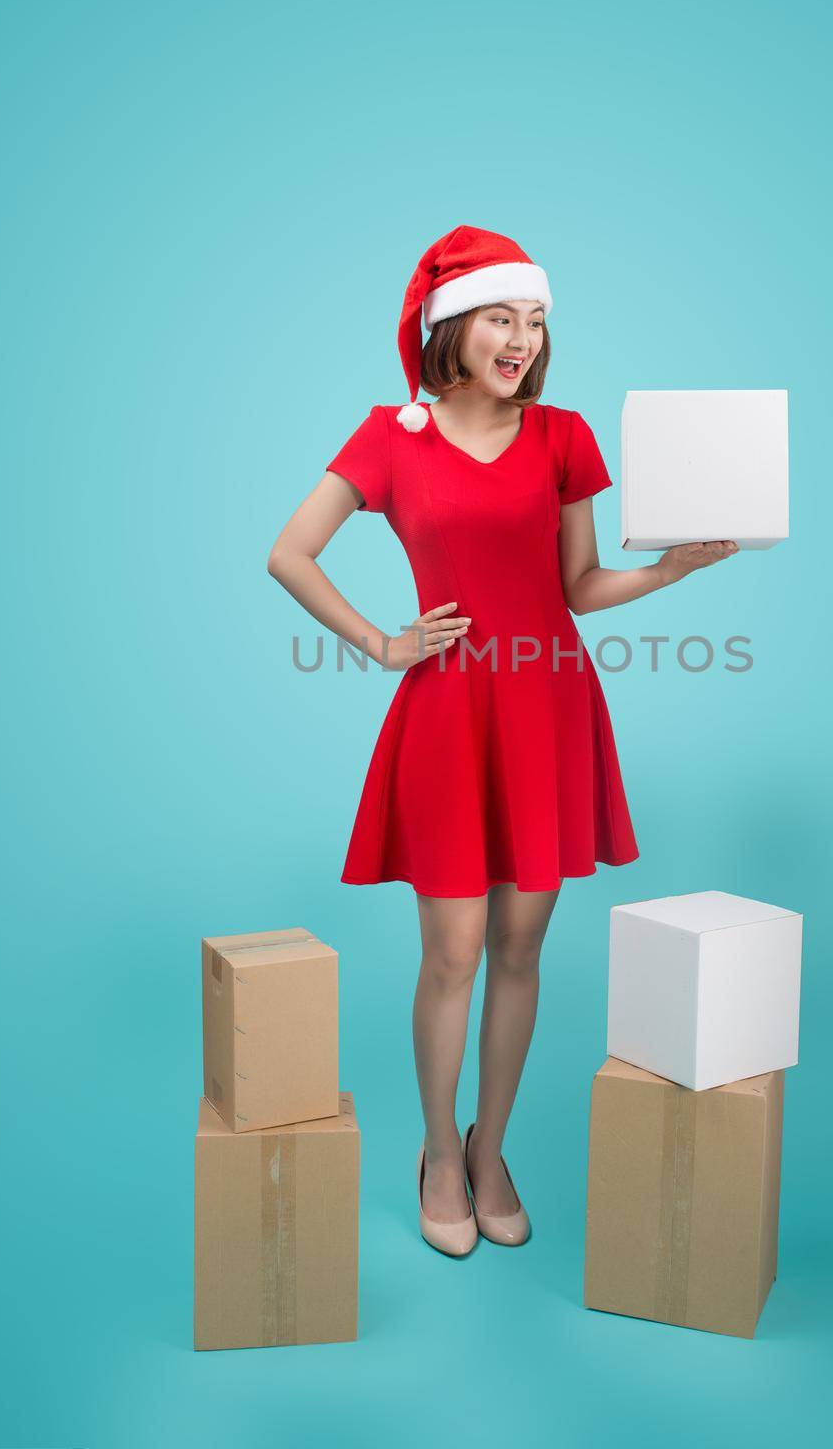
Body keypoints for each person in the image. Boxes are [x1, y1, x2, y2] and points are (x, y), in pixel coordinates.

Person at [267, 225, 738, 1257]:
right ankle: (438, 1149)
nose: (521, 338)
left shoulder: (563, 434)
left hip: (549, 708)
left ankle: (491, 1151)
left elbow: (577, 586)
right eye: (500, 317)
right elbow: (289, 552)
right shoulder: (392, 437)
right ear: (451, 325)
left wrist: (669, 574)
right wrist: (383, 643)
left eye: (534, 320)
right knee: (456, 951)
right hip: (447, 711)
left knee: (521, 948)